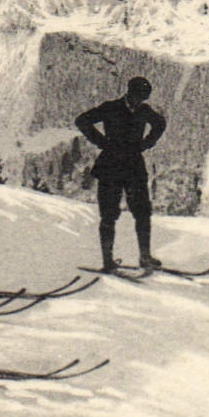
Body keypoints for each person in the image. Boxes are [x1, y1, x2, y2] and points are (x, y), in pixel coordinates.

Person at [75, 76, 167, 271]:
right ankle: (107, 261)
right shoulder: (111, 107)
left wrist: (146, 144)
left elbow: (160, 124)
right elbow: (82, 121)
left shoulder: (144, 110)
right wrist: (102, 142)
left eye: (143, 98)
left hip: (132, 166)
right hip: (111, 166)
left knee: (142, 212)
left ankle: (144, 256)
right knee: (108, 214)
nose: (139, 101)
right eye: (138, 97)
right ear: (130, 92)